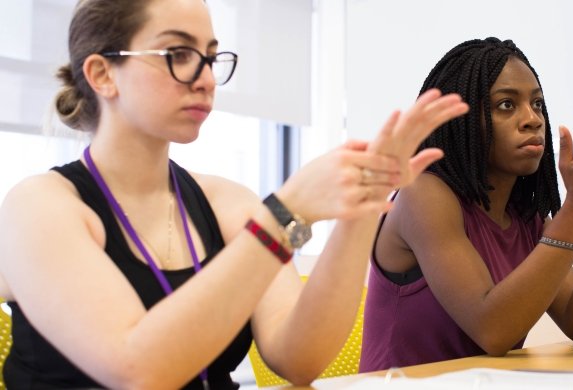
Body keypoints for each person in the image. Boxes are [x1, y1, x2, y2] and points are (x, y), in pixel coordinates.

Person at [0, 1, 469, 389]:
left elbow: (299, 358)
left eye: (209, 57)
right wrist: (284, 214)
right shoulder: (38, 208)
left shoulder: (227, 203)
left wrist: (365, 206)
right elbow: (138, 372)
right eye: (177, 54)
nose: (204, 77)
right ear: (103, 74)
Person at [360, 37, 573, 372]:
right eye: (506, 104)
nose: (533, 119)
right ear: (463, 120)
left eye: (538, 104)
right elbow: (493, 329)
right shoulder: (422, 194)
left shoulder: (524, 217)